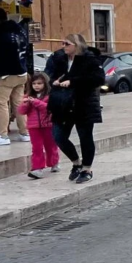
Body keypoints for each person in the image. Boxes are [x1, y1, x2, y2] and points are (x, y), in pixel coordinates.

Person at [46, 34, 105, 184]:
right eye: (62, 43)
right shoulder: (59, 58)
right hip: (63, 103)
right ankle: (76, 163)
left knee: (85, 136)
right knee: (58, 135)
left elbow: (98, 79)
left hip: (82, 103)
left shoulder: (89, 59)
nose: (63, 46)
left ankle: (86, 169)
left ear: (76, 45)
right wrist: (55, 81)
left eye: (66, 43)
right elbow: (50, 75)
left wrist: (73, 81)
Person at [0, 8, 29, 146]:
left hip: (5, 75)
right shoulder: (20, 31)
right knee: (18, 104)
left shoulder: (1, 36)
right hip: (21, 73)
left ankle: (2, 135)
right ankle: (24, 133)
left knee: (1, 105)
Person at [18, 72, 59, 179]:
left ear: (45, 83)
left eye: (39, 83)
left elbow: (48, 108)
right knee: (36, 148)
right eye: (34, 83)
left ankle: (54, 162)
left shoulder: (50, 95)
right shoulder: (28, 96)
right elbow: (21, 111)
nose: (36, 86)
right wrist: (25, 103)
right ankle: (37, 168)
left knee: (51, 146)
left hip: (48, 125)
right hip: (34, 127)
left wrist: (35, 102)